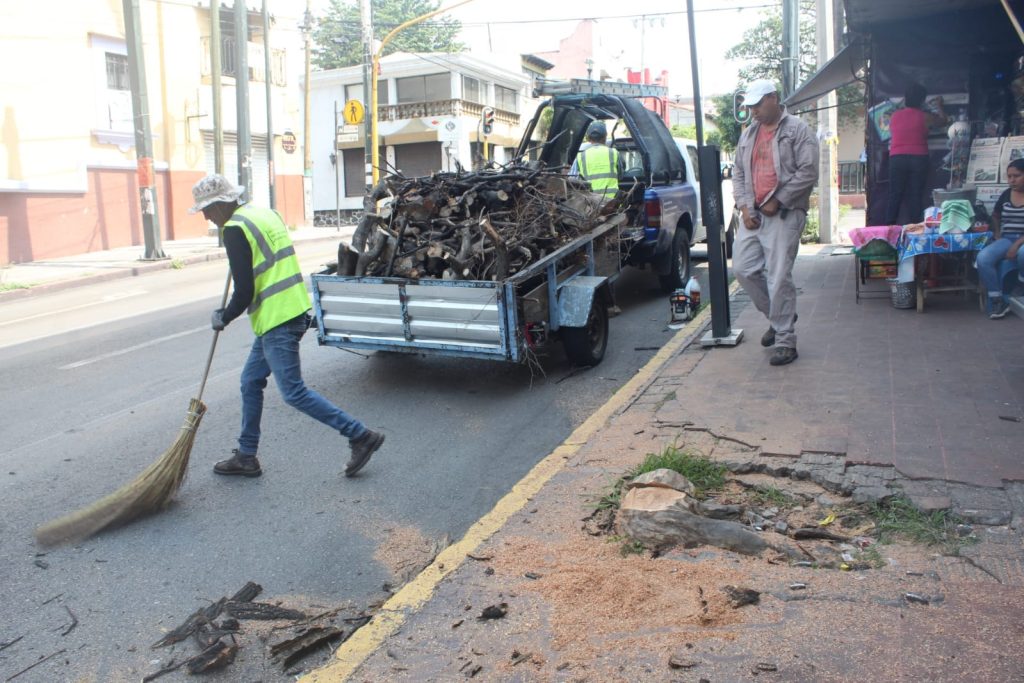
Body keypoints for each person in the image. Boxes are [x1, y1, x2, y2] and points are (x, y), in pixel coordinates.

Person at [189, 174, 385, 478]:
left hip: (277, 318)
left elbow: (244, 291)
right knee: (250, 381)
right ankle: (246, 455)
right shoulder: (264, 214)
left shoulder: (235, 229)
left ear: (220, 205)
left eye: (206, 209)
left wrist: (223, 317)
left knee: (294, 392)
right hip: (288, 310)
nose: (205, 216)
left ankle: (360, 435)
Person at [732, 79, 820, 366]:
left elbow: (808, 171)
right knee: (744, 269)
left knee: (779, 275)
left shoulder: (797, 129)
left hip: (784, 212)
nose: (753, 111)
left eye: (758, 104)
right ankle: (779, 315)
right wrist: (745, 207)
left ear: (773, 98)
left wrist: (779, 199)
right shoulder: (748, 134)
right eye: (750, 106)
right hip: (754, 212)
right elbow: (739, 173)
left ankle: (785, 340)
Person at [886, 83, 946, 225]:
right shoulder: (926, 117)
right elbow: (944, 121)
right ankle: (915, 228)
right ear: (922, 100)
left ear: (906, 98)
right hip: (918, 157)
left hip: (897, 157)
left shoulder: (894, 116)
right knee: (915, 194)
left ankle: (889, 227)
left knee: (895, 194)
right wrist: (939, 106)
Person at [976, 158, 1024, 319]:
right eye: (1009, 176)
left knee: (1022, 253)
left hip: (1022, 241)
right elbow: (996, 215)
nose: (1012, 180)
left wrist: (1016, 245)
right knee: (983, 258)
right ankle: (997, 299)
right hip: (1007, 238)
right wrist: (997, 233)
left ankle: (1020, 285)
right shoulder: (1006, 194)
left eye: (1016, 176)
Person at [570, 121, 621, 200]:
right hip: (612, 205)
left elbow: (572, 181)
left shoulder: (580, 157)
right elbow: (620, 175)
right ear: (605, 136)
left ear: (588, 138)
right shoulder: (614, 153)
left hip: (590, 206)